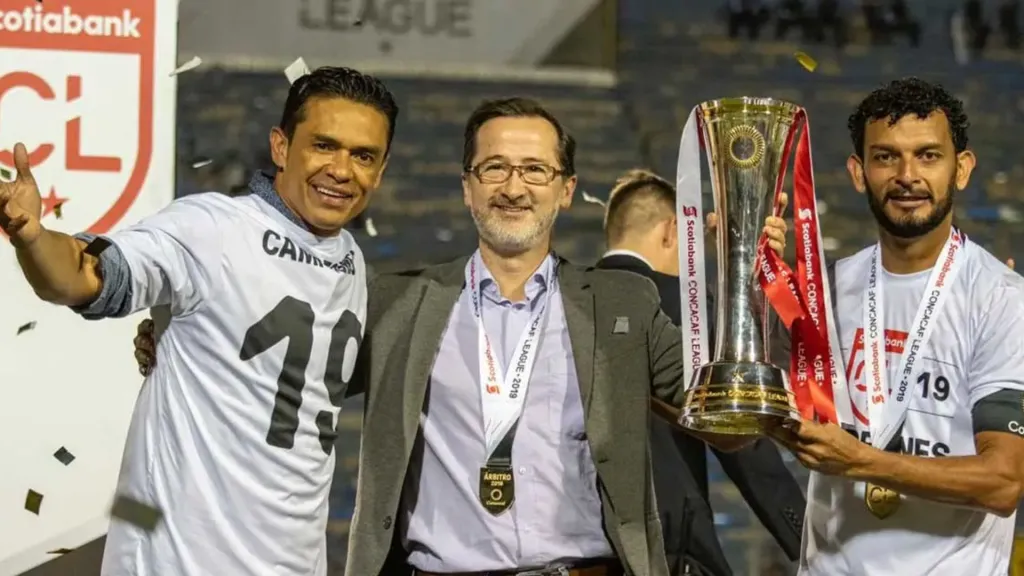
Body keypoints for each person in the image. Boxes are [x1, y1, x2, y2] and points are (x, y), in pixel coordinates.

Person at [131, 97, 788, 576]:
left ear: (565, 192)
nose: (513, 187)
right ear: (467, 189)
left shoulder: (623, 304)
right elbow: (289, 370)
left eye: (535, 171)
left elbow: (728, 420)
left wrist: (745, 288)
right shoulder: (395, 301)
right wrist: (187, 337)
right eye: (494, 169)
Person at [1, 66, 397, 576]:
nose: (342, 170)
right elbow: (84, 276)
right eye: (324, 145)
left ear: (381, 171)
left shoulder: (351, 260)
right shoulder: (209, 228)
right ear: (281, 147)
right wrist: (34, 237)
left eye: (363, 156)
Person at [770, 77, 1024, 575]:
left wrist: (862, 462)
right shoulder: (826, 292)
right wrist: (743, 274)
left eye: (928, 156)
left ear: (962, 169)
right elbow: (742, 433)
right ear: (859, 172)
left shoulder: (1001, 299)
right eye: (886, 157)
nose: (907, 176)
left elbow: (1004, 481)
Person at [596, 169, 806, 575]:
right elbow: (740, 435)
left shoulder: (566, 300)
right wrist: (807, 538)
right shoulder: (678, 303)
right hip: (670, 547)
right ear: (673, 230)